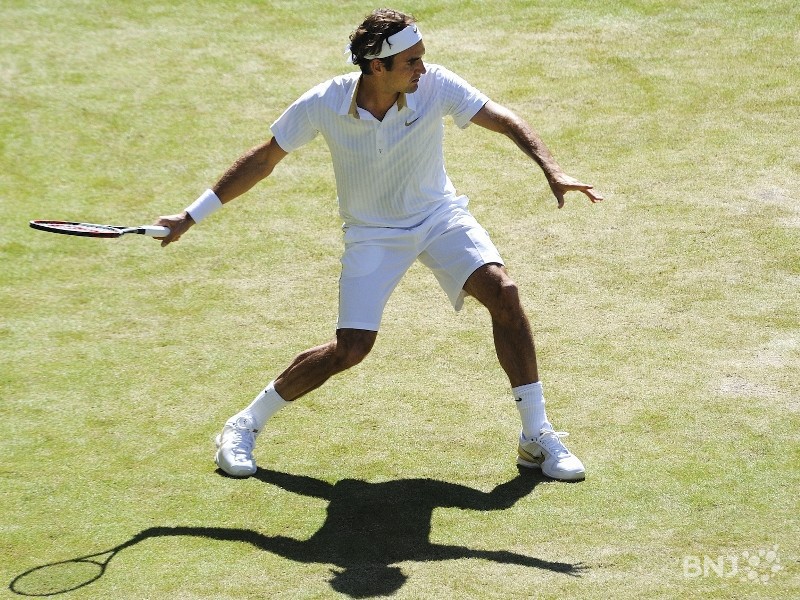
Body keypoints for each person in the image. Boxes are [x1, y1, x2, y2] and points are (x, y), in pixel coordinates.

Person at [154, 8, 602, 481]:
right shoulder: (324, 102)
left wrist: (551, 169)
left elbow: (502, 119)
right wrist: (189, 216)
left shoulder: (435, 85)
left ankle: (535, 436)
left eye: (421, 58)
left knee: (503, 293)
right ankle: (244, 424)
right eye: (411, 61)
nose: (422, 68)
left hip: (438, 218)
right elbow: (264, 160)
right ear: (376, 66)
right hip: (372, 234)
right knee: (350, 348)